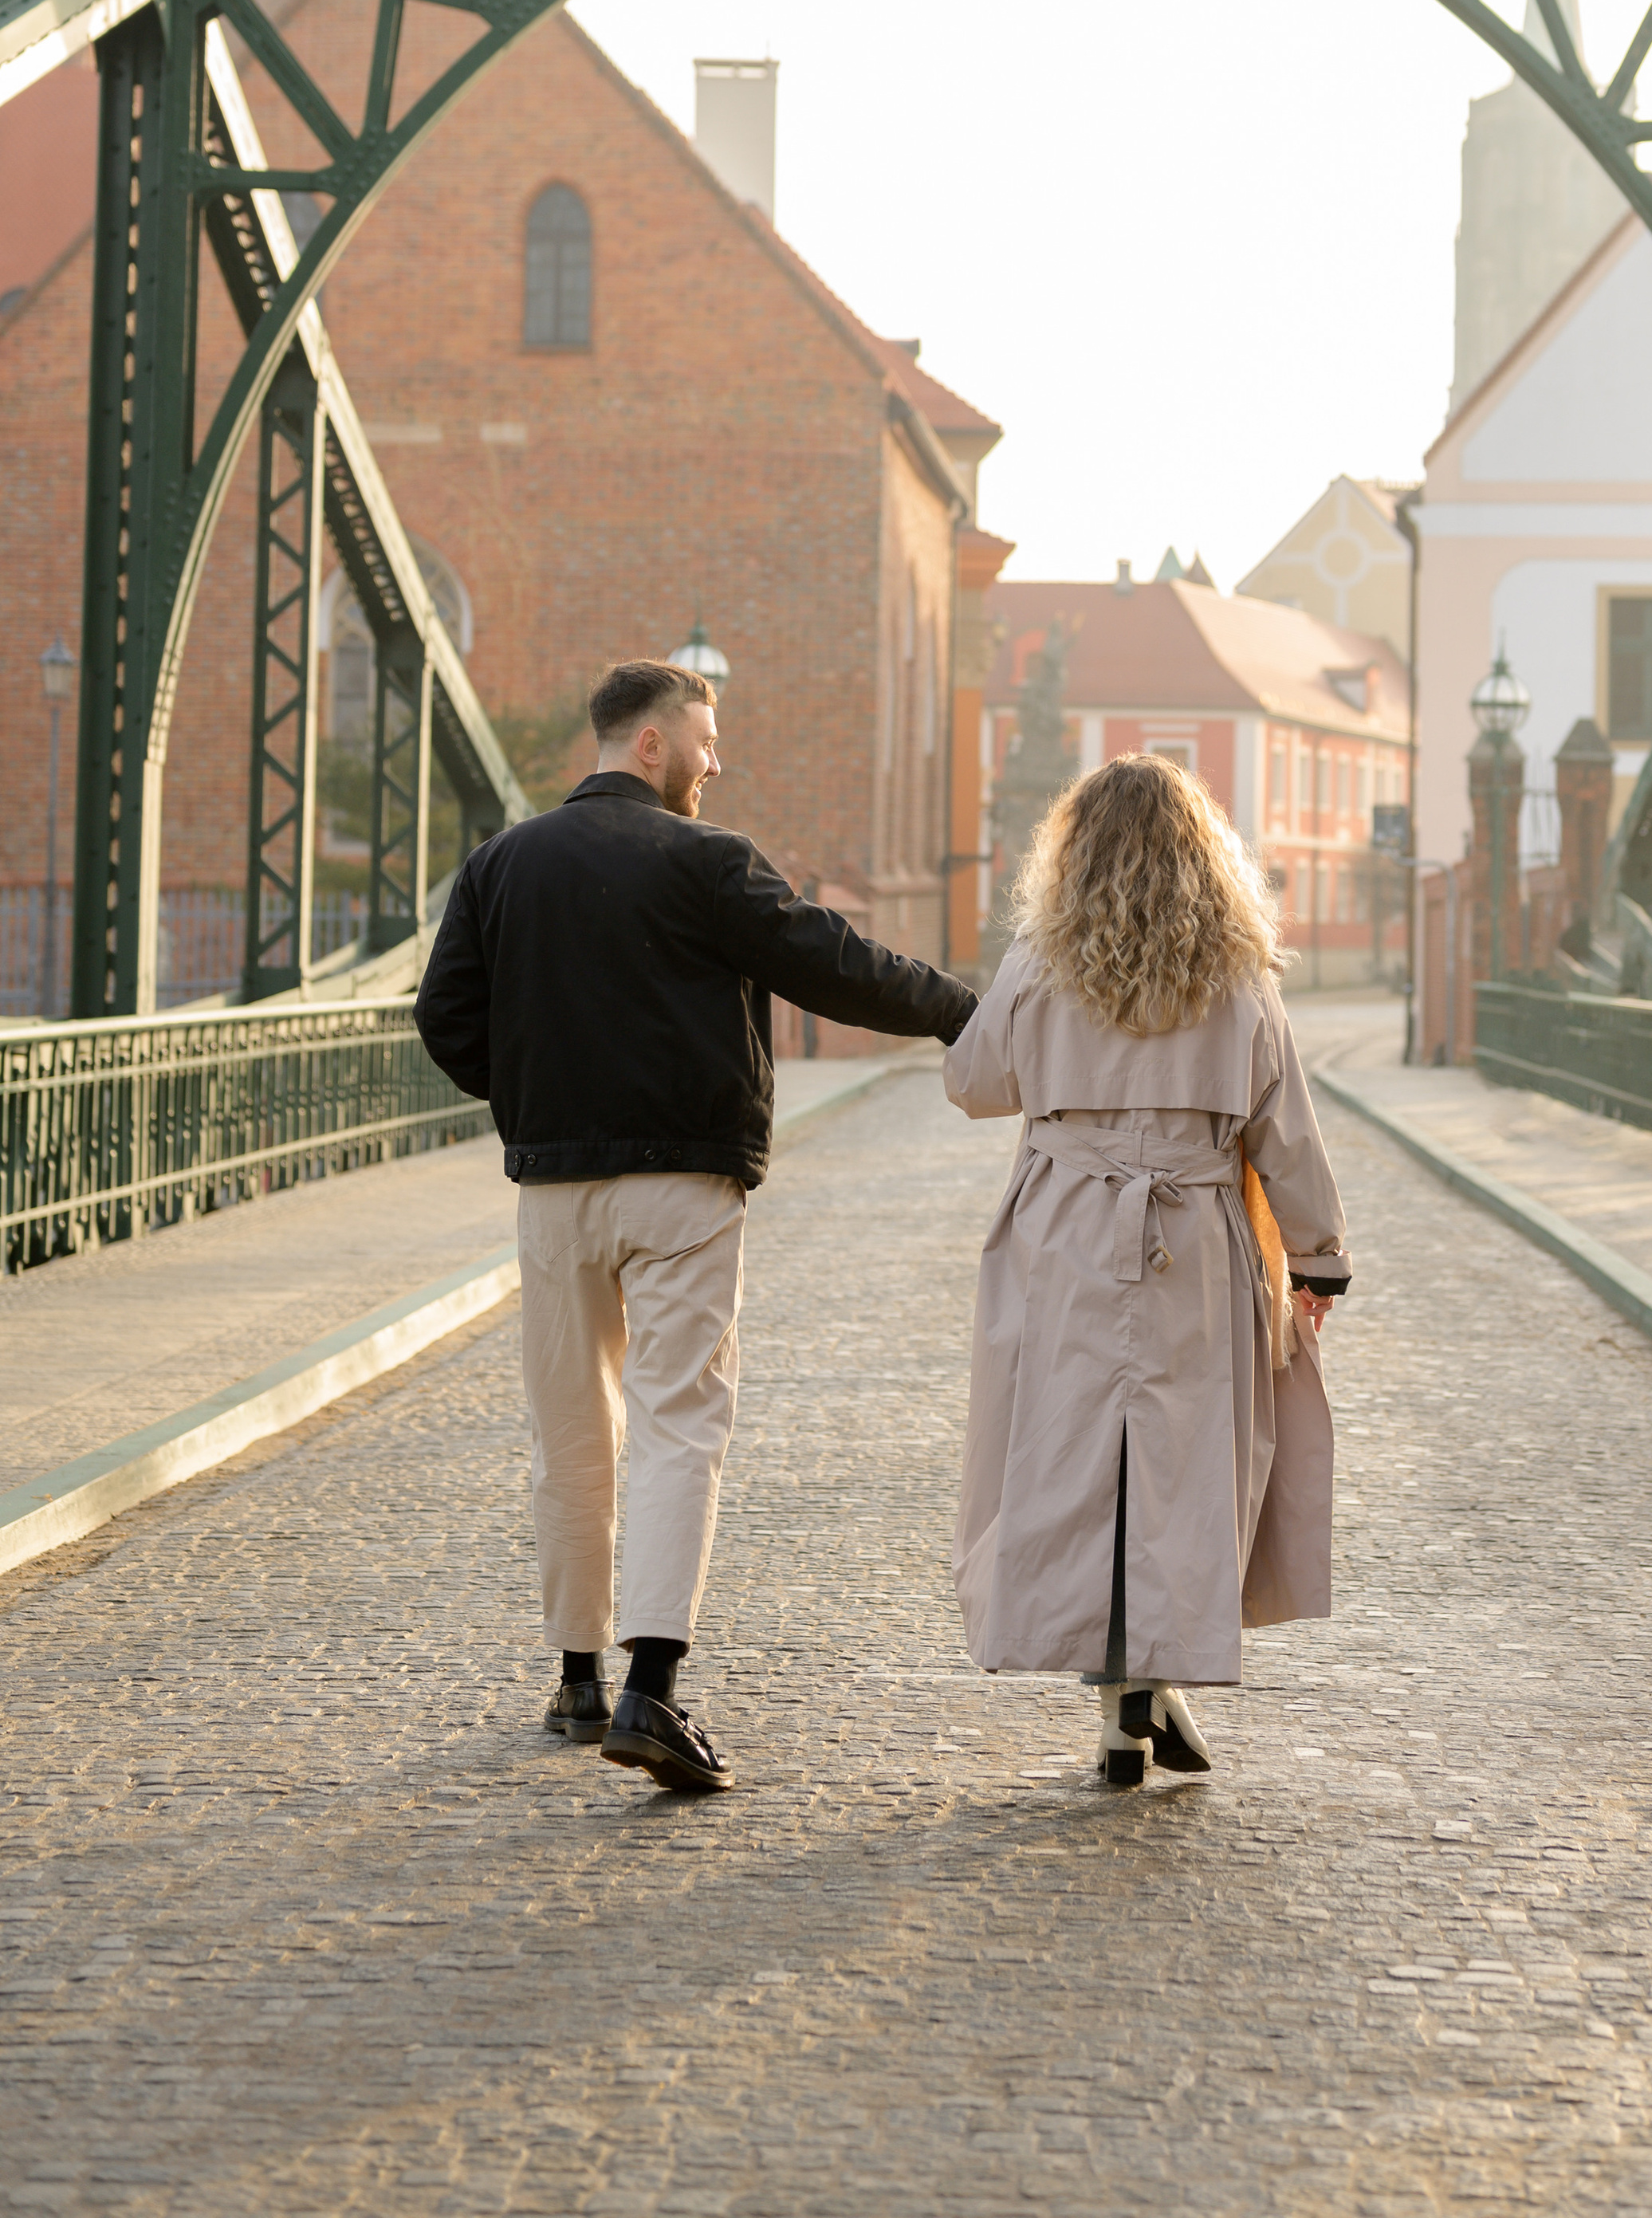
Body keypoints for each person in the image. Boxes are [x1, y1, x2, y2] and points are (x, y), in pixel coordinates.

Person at [414, 656, 977, 1794]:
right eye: (706, 741)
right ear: (654, 745)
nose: (717, 764)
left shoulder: (500, 865)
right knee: (680, 1423)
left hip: (554, 1192)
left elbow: (444, 1019)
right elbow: (834, 962)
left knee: (569, 1431)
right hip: (685, 1182)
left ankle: (576, 1678)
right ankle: (651, 1689)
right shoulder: (707, 860)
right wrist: (968, 1007)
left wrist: (535, 1101)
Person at [942, 751, 1351, 1785]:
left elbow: (977, 1083)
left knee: (1082, 1465)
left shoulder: (1043, 959)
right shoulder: (1238, 968)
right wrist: (1318, 1258)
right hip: (1199, 1238)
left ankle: (1124, 1712)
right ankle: (1142, 1693)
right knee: (1176, 1470)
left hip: (1068, 1232)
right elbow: (1283, 1126)